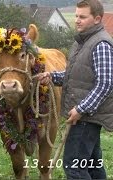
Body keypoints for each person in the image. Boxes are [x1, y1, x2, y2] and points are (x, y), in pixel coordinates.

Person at [38, 0, 113, 179]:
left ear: (97, 19)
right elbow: (77, 75)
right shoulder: (82, 42)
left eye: (82, 17)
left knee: (74, 167)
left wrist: (81, 109)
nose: (77, 20)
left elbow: (106, 83)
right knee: (93, 166)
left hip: (87, 117)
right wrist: (52, 76)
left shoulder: (100, 44)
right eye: (77, 16)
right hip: (85, 115)